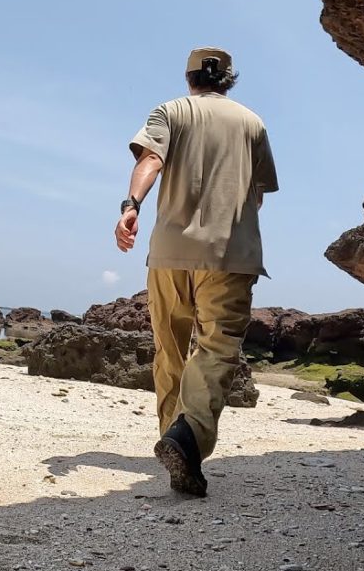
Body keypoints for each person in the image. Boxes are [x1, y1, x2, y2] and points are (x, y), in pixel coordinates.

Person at [115, 46, 278, 496]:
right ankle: (187, 439)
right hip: (230, 253)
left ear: (189, 77)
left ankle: (174, 435)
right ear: (230, 79)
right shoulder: (253, 123)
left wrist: (131, 206)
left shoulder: (170, 111)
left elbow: (149, 160)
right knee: (217, 348)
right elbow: (258, 194)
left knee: (169, 350)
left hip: (170, 251)